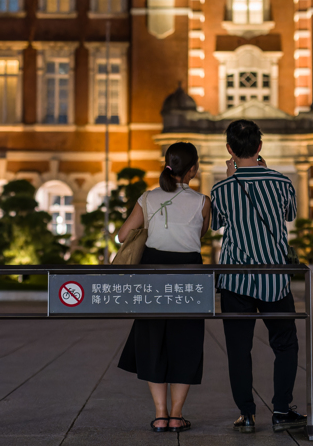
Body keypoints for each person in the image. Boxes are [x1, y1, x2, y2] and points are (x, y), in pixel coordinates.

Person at [211, 119, 306, 434]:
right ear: (260, 147)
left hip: (235, 279)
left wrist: (231, 178)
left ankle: (247, 414)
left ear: (229, 150)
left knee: (239, 349)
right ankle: (281, 411)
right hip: (275, 279)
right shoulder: (282, 182)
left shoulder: (222, 188)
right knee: (285, 344)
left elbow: (216, 224)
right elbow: (290, 215)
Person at [118, 142, 211, 434]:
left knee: (152, 340)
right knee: (187, 342)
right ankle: (177, 414)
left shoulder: (147, 197)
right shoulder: (202, 201)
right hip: (190, 275)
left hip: (152, 273)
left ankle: (160, 415)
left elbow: (123, 236)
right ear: (193, 169)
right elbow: (201, 234)